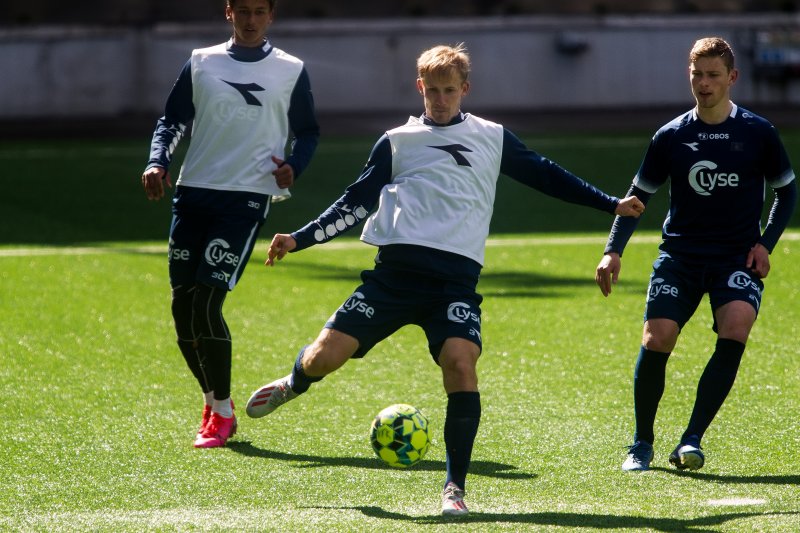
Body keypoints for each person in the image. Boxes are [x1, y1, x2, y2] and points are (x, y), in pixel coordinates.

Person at [244, 43, 644, 515]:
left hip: (453, 285)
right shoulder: (397, 141)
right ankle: (294, 382)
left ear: (464, 89)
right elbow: (355, 203)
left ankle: (454, 489)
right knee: (322, 358)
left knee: (460, 364)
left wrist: (609, 204)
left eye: (448, 90)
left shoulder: (492, 136)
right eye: (431, 90)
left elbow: (545, 175)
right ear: (420, 88)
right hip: (392, 279)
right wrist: (301, 238)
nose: (439, 99)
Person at [595, 37, 796, 472]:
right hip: (681, 257)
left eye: (713, 75)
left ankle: (691, 439)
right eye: (697, 75)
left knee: (737, 323)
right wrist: (613, 250)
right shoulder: (671, 136)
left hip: (734, 258)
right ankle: (641, 444)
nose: (703, 84)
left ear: (732, 79)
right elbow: (637, 198)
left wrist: (765, 243)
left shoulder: (758, 132)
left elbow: (787, 192)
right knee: (657, 337)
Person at [140, 0, 320, 449]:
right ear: (228, 12)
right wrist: (157, 161)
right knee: (182, 308)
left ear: (272, 15)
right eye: (244, 10)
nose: (251, 19)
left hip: (244, 200)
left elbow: (308, 130)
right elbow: (172, 119)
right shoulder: (202, 61)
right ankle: (212, 401)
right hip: (193, 193)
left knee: (206, 301)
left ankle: (222, 412)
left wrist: (293, 165)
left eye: (260, 11)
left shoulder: (290, 69)